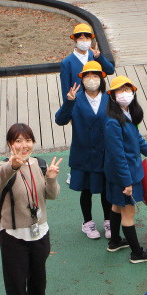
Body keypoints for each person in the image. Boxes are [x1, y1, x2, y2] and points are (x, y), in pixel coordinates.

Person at [0, 123, 62, 295]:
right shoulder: (2, 168)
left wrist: (51, 179)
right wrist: (13, 165)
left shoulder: (38, 164)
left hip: (40, 230)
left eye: (28, 140)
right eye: (18, 141)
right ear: (10, 144)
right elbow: (2, 174)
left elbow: (51, 195)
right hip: (14, 234)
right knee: (16, 277)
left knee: (38, 270)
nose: (24, 145)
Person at [104, 75, 147, 263]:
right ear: (112, 95)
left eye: (127, 89)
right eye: (120, 90)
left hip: (123, 173)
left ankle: (114, 241)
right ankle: (137, 253)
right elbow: (118, 155)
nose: (124, 93)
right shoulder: (113, 122)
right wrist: (127, 182)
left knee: (116, 206)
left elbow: (136, 138)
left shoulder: (127, 114)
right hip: (125, 174)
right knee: (128, 213)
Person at [55, 60, 112, 240]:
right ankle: (87, 222)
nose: (91, 79)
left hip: (105, 154)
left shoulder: (109, 99)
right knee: (86, 190)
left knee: (106, 190)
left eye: (95, 75)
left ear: (101, 78)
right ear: (82, 79)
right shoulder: (76, 99)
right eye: (87, 75)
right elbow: (60, 120)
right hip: (83, 154)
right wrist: (68, 102)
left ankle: (108, 220)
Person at [59, 23, 115, 102]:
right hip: (79, 102)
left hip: (98, 98)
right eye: (81, 38)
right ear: (75, 40)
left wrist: (99, 57)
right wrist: (69, 104)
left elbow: (110, 70)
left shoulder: (94, 56)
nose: (84, 41)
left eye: (87, 38)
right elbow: (65, 89)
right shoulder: (67, 62)